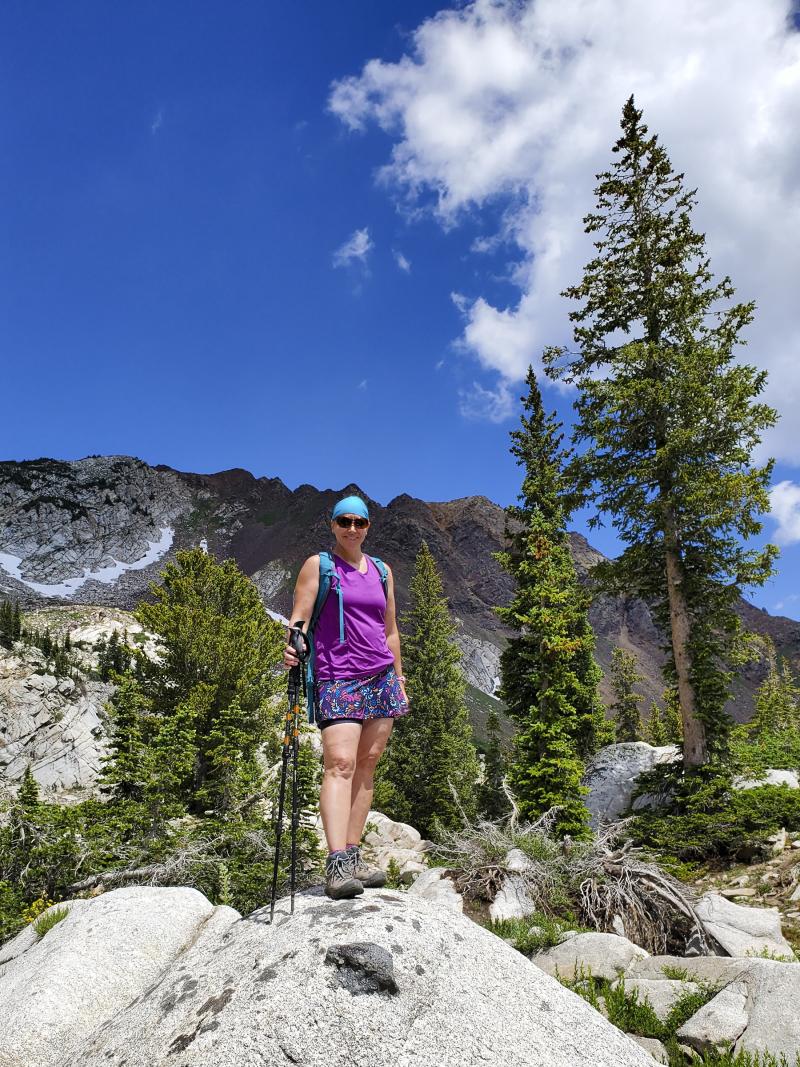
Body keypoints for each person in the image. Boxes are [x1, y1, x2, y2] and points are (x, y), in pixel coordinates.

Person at [283, 495, 409, 900]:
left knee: (367, 764)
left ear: (368, 526)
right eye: (344, 521)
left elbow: (389, 630)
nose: (352, 529)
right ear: (333, 525)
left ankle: (354, 855)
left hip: (380, 677)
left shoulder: (382, 571)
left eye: (359, 522)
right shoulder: (319, 565)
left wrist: (399, 676)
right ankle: (336, 862)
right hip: (337, 677)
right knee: (340, 763)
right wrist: (293, 647)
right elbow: (299, 619)